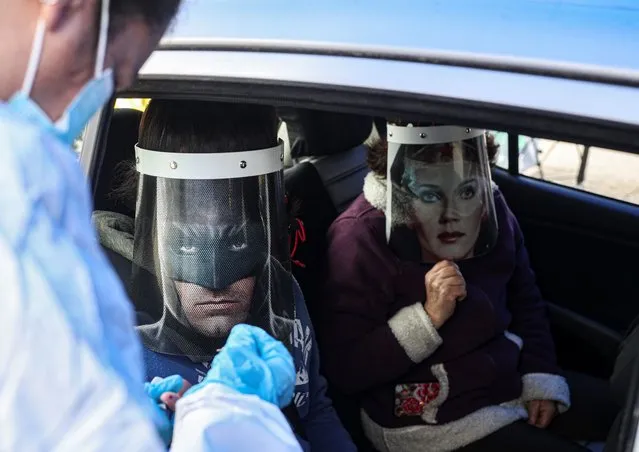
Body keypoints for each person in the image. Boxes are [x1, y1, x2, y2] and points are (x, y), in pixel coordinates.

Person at [0, 0, 302, 450]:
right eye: (114, 71)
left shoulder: (34, 166)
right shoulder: (20, 185)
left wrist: (144, 414)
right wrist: (219, 416)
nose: (104, 92)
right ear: (67, 8)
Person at [317, 120, 617, 452]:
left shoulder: (491, 207)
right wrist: (427, 318)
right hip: (427, 420)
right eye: (430, 194)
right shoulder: (360, 237)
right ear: (398, 186)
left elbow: (524, 298)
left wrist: (540, 377)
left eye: (467, 191)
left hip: (504, 380)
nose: (452, 214)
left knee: (626, 412)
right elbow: (347, 367)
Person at [94, 99, 356, 452]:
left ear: (267, 228)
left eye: (237, 242)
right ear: (155, 234)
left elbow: (314, 410)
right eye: (187, 246)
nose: (215, 281)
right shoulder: (121, 346)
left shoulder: (284, 296)